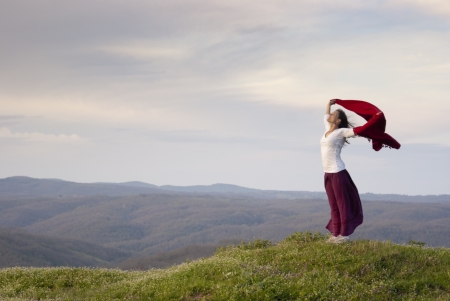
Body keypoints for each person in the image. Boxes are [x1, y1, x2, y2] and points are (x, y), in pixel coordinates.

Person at [321, 99, 363, 244]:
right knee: (333, 205)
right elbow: (325, 117)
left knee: (342, 204)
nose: (330, 114)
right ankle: (336, 233)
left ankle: (344, 235)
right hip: (328, 173)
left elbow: (357, 131)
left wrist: (374, 121)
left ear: (338, 120)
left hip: (338, 172)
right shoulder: (328, 130)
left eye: (334, 114)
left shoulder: (341, 132)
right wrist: (329, 104)